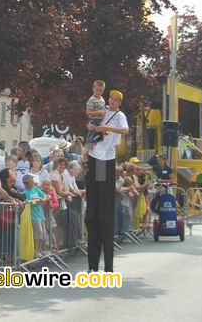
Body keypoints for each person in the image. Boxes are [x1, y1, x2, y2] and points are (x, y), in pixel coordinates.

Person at [85, 89, 128, 273]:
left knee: (105, 211)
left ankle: (108, 267)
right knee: (93, 211)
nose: (111, 101)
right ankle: (92, 266)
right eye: (110, 98)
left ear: (119, 102)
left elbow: (125, 130)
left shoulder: (119, 116)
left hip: (106, 161)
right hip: (95, 158)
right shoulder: (102, 112)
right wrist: (91, 126)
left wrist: (107, 129)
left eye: (115, 99)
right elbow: (91, 123)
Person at [22, 174, 47, 256]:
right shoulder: (25, 193)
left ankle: (41, 249)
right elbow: (30, 203)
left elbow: (44, 195)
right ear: (26, 183)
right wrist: (38, 200)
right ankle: (36, 250)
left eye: (33, 181)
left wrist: (43, 199)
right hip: (33, 216)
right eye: (31, 182)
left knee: (43, 233)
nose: (33, 183)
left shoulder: (36, 189)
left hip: (41, 214)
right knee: (38, 233)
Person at [85, 80, 107, 150]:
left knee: (99, 137)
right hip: (95, 120)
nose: (98, 92)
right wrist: (98, 112)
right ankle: (86, 149)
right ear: (93, 88)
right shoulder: (91, 100)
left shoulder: (101, 99)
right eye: (97, 90)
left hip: (101, 120)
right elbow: (88, 112)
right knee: (91, 136)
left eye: (101, 91)